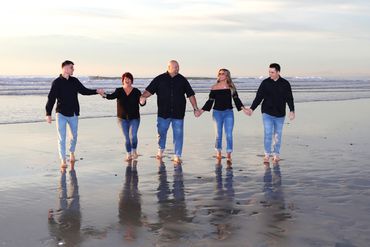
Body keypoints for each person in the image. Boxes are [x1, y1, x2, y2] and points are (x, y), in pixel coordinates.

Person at [45, 60, 104, 169]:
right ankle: (63, 160)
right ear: (65, 68)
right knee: (61, 138)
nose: (73, 69)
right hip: (61, 113)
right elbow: (51, 98)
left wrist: (96, 91)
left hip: (73, 114)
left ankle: (71, 152)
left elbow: (84, 91)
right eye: (72, 67)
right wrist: (48, 113)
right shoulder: (57, 82)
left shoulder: (74, 81)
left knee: (74, 136)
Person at [140, 60, 200, 163]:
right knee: (161, 132)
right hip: (163, 112)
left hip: (178, 112)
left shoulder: (182, 80)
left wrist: (195, 108)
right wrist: (143, 97)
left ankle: (177, 155)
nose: (177, 68)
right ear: (169, 67)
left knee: (178, 134)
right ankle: (160, 149)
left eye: (178, 67)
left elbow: (190, 94)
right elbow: (149, 90)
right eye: (175, 67)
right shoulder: (160, 79)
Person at [245, 63, 295, 163]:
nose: (270, 74)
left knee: (277, 135)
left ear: (278, 72)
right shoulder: (265, 83)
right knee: (268, 133)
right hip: (267, 112)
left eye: (272, 72)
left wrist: (292, 110)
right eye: (269, 72)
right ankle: (267, 154)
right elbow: (259, 97)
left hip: (280, 113)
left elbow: (289, 98)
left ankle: (276, 154)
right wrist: (252, 109)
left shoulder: (285, 83)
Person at [197, 68, 249, 163]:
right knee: (218, 134)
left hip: (229, 112)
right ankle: (218, 153)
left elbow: (236, 99)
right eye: (219, 73)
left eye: (223, 74)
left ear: (227, 76)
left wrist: (244, 109)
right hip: (217, 113)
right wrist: (201, 111)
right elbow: (210, 101)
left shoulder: (231, 88)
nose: (220, 75)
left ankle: (229, 154)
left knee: (229, 134)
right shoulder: (214, 87)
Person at [102, 72, 146, 161]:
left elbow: (142, 103)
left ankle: (134, 151)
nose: (127, 80)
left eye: (129, 79)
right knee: (127, 138)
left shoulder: (136, 91)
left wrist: (143, 101)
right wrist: (103, 94)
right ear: (123, 80)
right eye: (125, 79)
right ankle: (128, 154)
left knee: (133, 136)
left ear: (131, 81)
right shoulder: (119, 90)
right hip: (122, 119)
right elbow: (111, 96)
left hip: (134, 118)